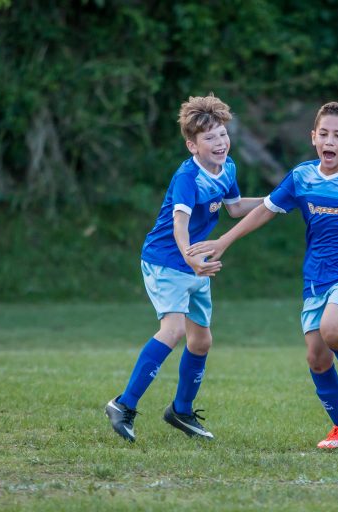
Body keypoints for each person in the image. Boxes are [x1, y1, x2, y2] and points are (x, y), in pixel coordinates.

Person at [186, 101, 338, 449]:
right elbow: (266, 210)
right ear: (313, 137)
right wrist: (223, 241)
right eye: (324, 134)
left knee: (332, 329)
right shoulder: (302, 177)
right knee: (316, 355)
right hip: (316, 275)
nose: (330, 141)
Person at [105, 94, 262, 442]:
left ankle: (181, 410)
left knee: (201, 341)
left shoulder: (229, 167)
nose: (220, 143)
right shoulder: (188, 177)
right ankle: (123, 405)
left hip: (195, 264)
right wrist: (190, 257)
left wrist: (276, 200)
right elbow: (179, 224)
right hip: (167, 260)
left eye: (222, 134)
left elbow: (235, 208)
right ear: (193, 145)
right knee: (173, 330)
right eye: (210, 138)